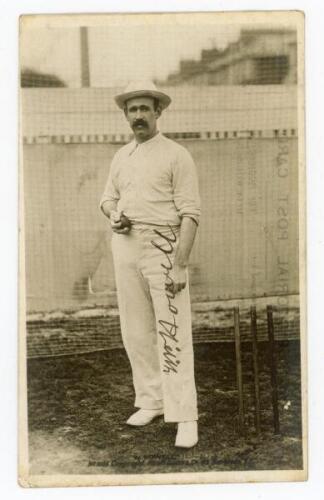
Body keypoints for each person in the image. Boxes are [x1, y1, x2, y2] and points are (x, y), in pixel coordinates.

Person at [100, 81, 201, 448]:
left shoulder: (177, 155)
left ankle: (184, 415)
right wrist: (114, 216)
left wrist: (179, 264)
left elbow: (191, 214)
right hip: (125, 246)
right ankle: (151, 400)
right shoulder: (121, 156)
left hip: (164, 246)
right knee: (135, 331)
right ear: (126, 115)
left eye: (145, 108)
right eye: (132, 110)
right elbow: (107, 199)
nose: (138, 115)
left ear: (158, 112)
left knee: (172, 331)